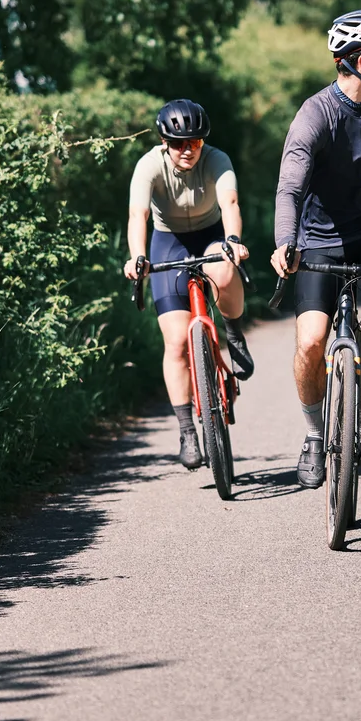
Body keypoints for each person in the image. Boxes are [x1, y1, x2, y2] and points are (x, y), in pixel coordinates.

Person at [271, 9, 361, 489]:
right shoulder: (315, 115)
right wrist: (284, 241)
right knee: (311, 342)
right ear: (360, 60)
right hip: (317, 238)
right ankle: (315, 435)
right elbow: (289, 187)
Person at [123, 99, 253, 469]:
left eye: (193, 142)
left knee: (225, 270)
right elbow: (138, 215)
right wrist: (136, 256)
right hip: (169, 242)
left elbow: (230, 203)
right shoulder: (149, 165)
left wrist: (233, 240)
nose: (186, 150)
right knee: (177, 342)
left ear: (202, 141)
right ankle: (186, 432)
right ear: (164, 141)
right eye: (178, 143)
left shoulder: (217, 159)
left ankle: (233, 331)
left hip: (212, 235)